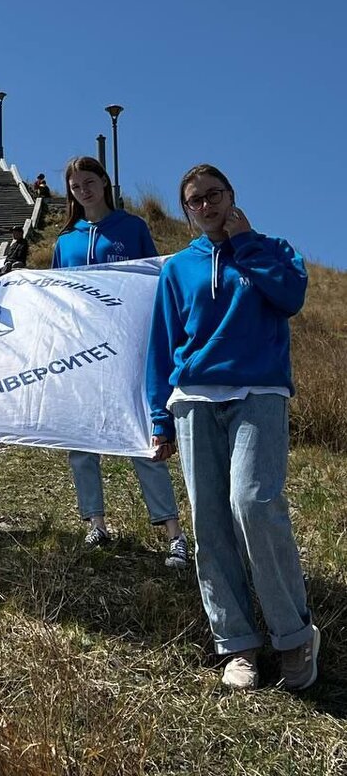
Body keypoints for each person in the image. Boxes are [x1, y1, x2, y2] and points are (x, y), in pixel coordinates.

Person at [146, 164, 318, 692]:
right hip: (194, 400)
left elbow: (290, 297)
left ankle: (295, 635)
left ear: (231, 196)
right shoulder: (178, 268)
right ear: (186, 210)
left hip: (259, 394)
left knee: (254, 503)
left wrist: (245, 244)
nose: (205, 206)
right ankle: (238, 644)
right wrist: (159, 418)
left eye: (213, 196)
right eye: (194, 201)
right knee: (211, 523)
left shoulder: (273, 249)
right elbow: (162, 344)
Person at [52, 156, 188, 569]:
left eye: (89, 182)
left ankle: (172, 532)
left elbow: (154, 281)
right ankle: (95, 523)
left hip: (130, 349)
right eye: (76, 187)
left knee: (142, 436)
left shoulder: (132, 228)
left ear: (105, 182)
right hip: (83, 354)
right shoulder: (66, 240)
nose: (84, 191)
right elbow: (56, 296)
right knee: (82, 442)